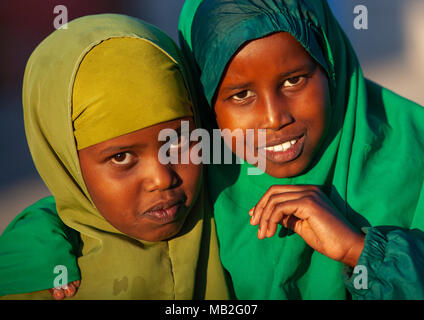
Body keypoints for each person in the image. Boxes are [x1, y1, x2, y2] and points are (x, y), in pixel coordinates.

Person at [176, 0, 424, 299]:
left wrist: (358, 251)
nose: (274, 118)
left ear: (330, 67)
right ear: (206, 104)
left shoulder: (414, 152)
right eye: (241, 94)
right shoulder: (186, 191)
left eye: (294, 80)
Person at [0, 13, 230, 300]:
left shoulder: (242, 211)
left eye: (177, 141)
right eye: (121, 157)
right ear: (64, 162)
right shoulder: (38, 275)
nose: (161, 179)